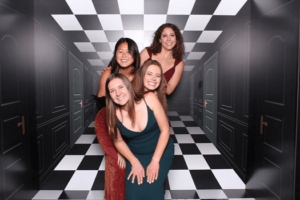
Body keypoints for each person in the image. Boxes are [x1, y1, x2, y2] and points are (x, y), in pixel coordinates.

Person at [105, 73, 174, 200]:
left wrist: (155, 160)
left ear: (128, 87)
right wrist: (134, 161)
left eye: (121, 87)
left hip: (161, 151)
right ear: (109, 96)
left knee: (153, 190)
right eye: (112, 91)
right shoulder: (112, 114)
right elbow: (118, 141)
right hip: (136, 155)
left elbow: (165, 130)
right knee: (133, 195)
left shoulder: (149, 98)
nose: (118, 93)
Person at [94, 37, 140, 200]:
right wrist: (118, 145)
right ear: (115, 54)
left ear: (135, 54)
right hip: (114, 126)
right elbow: (103, 108)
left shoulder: (140, 75)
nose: (124, 55)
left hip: (136, 126)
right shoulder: (108, 72)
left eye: (128, 51)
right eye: (120, 51)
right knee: (118, 168)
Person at [140, 23, 185, 95]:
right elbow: (134, 74)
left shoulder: (179, 63)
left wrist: (153, 80)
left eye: (172, 35)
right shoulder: (147, 52)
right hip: (138, 97)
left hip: (158, 101)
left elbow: (169, 90)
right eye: (165, 35)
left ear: (177, 39)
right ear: (159, 39)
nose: (169, 39)